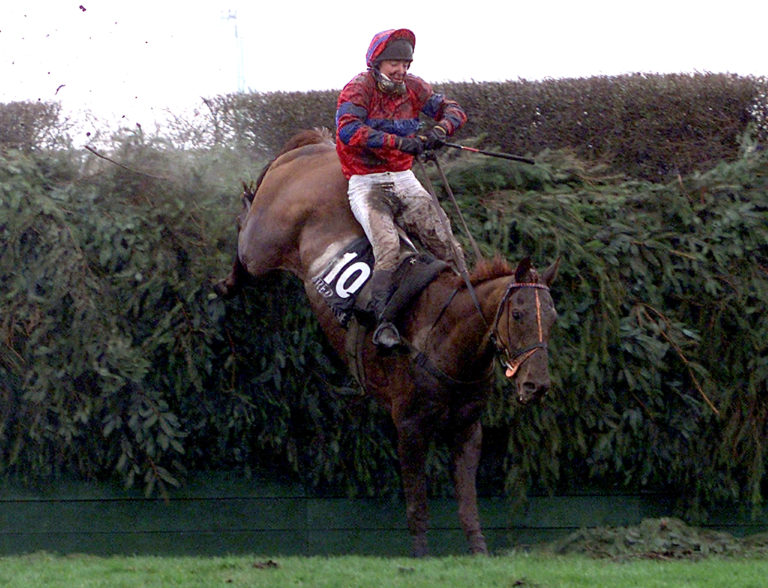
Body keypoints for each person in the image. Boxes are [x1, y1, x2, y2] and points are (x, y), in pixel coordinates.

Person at [335, 28, 467, 348]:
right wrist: (400, 142)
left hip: (403, 177)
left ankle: (468, 298)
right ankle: (383, 322)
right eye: (394, 63)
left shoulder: (414, 88)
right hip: (366, 181)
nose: (401, 70)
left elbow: (456, 111)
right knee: (388, 247)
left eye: (405, 63)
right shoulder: (358, 89)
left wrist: (440, 129)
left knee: (444, 237)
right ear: (377, 62)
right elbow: (348, 130)